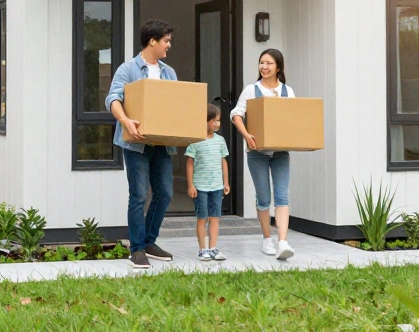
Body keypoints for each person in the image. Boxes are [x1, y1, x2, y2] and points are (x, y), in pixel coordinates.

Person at [105, 19, 178, 270]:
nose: (169, 45)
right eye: (166, 40)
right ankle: (136, 249)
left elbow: (174, 106)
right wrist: (125, 121)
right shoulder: (128, 69)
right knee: (138, 195)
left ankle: (149, 241)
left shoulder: (169, 73)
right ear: (152, 41)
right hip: (136, 144)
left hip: (162, 144)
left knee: (165, 193)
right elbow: (113, 98)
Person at [231, 48, 297, 260]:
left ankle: (283, 241)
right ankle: (267, 238)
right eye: (261, 63)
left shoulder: (288, 91)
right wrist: (247, 135)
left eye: (269, 63)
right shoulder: (252, 89)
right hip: (257, 152)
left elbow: (294, 118)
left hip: (280, 152)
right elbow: (236, 114)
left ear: (279, 67)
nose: (264, 67)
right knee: (264, 198)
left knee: (282, 196)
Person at [185, 104, 230, 262]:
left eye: (218, 120)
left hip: (217, 187)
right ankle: (202, 249)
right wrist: (191, 185)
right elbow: (190, 163)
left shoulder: (220, 141)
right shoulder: (195, 141)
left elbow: (223, 161)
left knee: (215, 217)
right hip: (200, 187)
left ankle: (213, 248)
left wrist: (226, 182)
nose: (217, 124)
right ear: (203, 121)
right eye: (213, 120)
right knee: (202, 218)